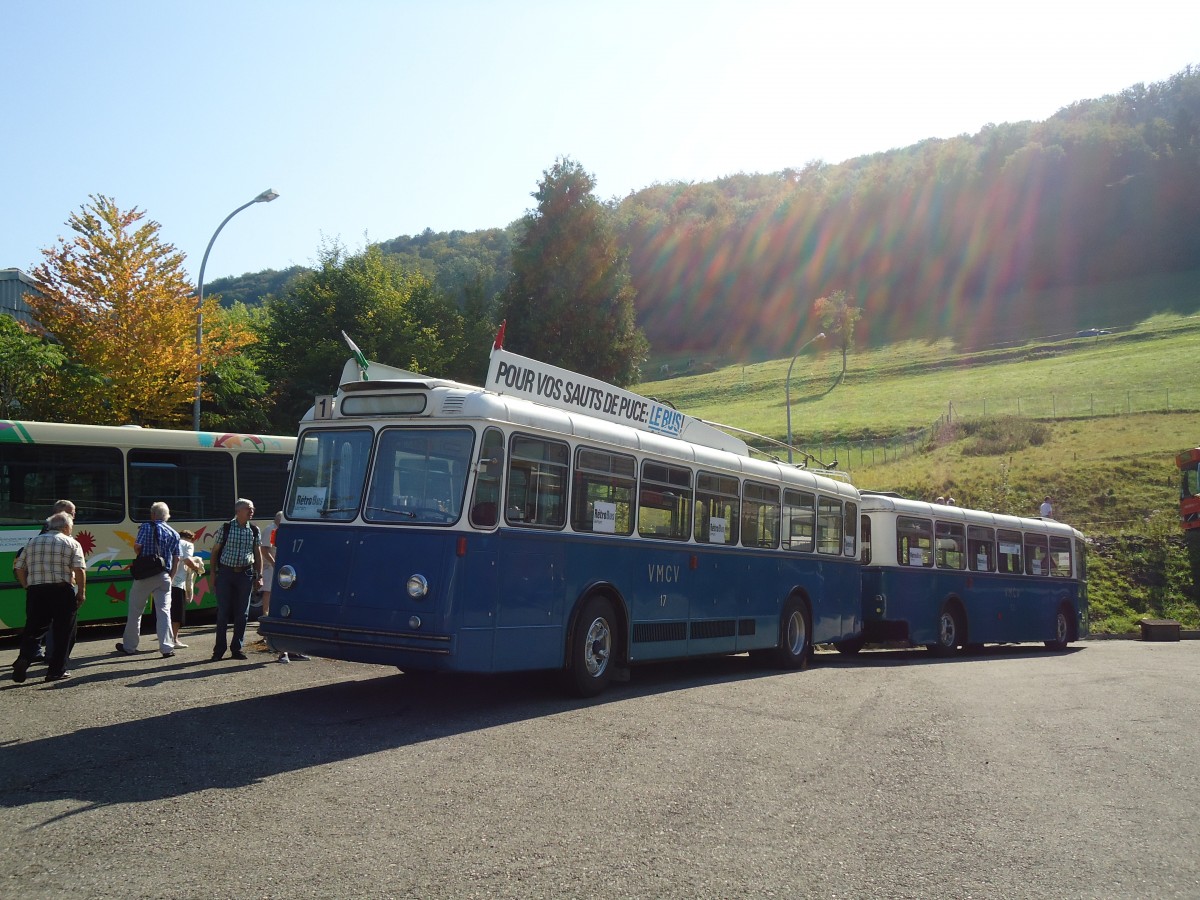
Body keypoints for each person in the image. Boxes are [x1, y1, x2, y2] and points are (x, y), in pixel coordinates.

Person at [11, 512, 87, 683]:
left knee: (34, 629)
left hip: (36, 591)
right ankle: (56, 671)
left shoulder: (32, 542)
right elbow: (79, 569)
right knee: (64, 631)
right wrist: (81, 592)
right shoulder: (71, 543)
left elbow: (19, 567)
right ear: (65, 527)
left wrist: (26, 585)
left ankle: (24, 658)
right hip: (61, 591)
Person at [116, 501, 181, 658]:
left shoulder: (146, 527)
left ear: (153, 514)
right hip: (164, 575)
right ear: (167, 516)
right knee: (164, 612)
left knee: (136, 611)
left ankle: (130, 646)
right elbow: (177, 558)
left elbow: (138, 547)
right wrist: (170, 577)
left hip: (145, 575)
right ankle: (167, 647)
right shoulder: (174, 533)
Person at [211, 498, 265, 662]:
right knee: (223, 613)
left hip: (245, 574)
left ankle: (237, 649)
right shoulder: (226, 528)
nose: (252, 511)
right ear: (238, 511)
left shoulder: (254, 530)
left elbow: (257, 554)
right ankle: (219, 650)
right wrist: (213, 573)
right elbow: (215, 551)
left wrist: (259, 576)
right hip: (226, 573)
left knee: (242, 614)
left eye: (252, 508)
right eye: (248, 508)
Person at [260, 511, 309, 663]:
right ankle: (283, 650)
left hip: (290, 574)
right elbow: (265, 549)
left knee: (295, 611)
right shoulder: (272, 530)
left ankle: (294, 650)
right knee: (280, 608)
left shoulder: (292, 532)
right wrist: (275, 564)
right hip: (279, 573)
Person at [169, 529, 204, 649]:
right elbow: (188, 560)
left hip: (166, 581)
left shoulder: (172, 542)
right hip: (178, 583)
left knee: (167, 612)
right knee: (177, 613)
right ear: (191, 539)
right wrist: (197, 567)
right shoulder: (188, 545)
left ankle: (166, 639)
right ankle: (174, 639)